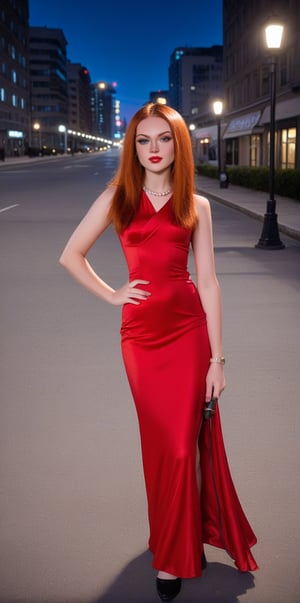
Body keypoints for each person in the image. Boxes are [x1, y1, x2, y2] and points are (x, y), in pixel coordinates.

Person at [59, 103, 258, 601]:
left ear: (178, 145)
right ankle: (171, 551)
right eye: (143, 140)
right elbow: (70, 254)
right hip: (142, 339)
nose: (152, 149)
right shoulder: (117, 197)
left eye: (163, 139)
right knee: (165, 447)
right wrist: (112, 294)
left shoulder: (197, 204)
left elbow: (209, 282)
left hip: (189, 333)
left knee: (187, 446)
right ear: (133, 147)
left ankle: (174, 548)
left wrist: (218, 360)